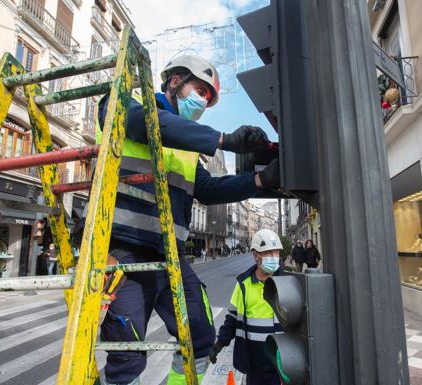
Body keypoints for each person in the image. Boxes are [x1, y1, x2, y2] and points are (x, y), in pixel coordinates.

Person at [96, 55, 281, 385]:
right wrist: (222, 140)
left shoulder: (185, 146)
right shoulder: (130, 100)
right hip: (125, 252)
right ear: (174, 81)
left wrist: (259, 182)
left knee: (200, 337)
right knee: (125, 355)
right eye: (200, 90)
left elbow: (207, 188)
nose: (203, 101)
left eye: (209, 99)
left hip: (172, 259)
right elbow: (148, 123)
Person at [209, 229, 284, 385]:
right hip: (254, 362)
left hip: (282, 361)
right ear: (255, 255)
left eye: (276, 253)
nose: (273, 257)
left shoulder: (287, 281)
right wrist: (219, 344)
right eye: (268, 253)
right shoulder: (243, 285)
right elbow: (232, 318)